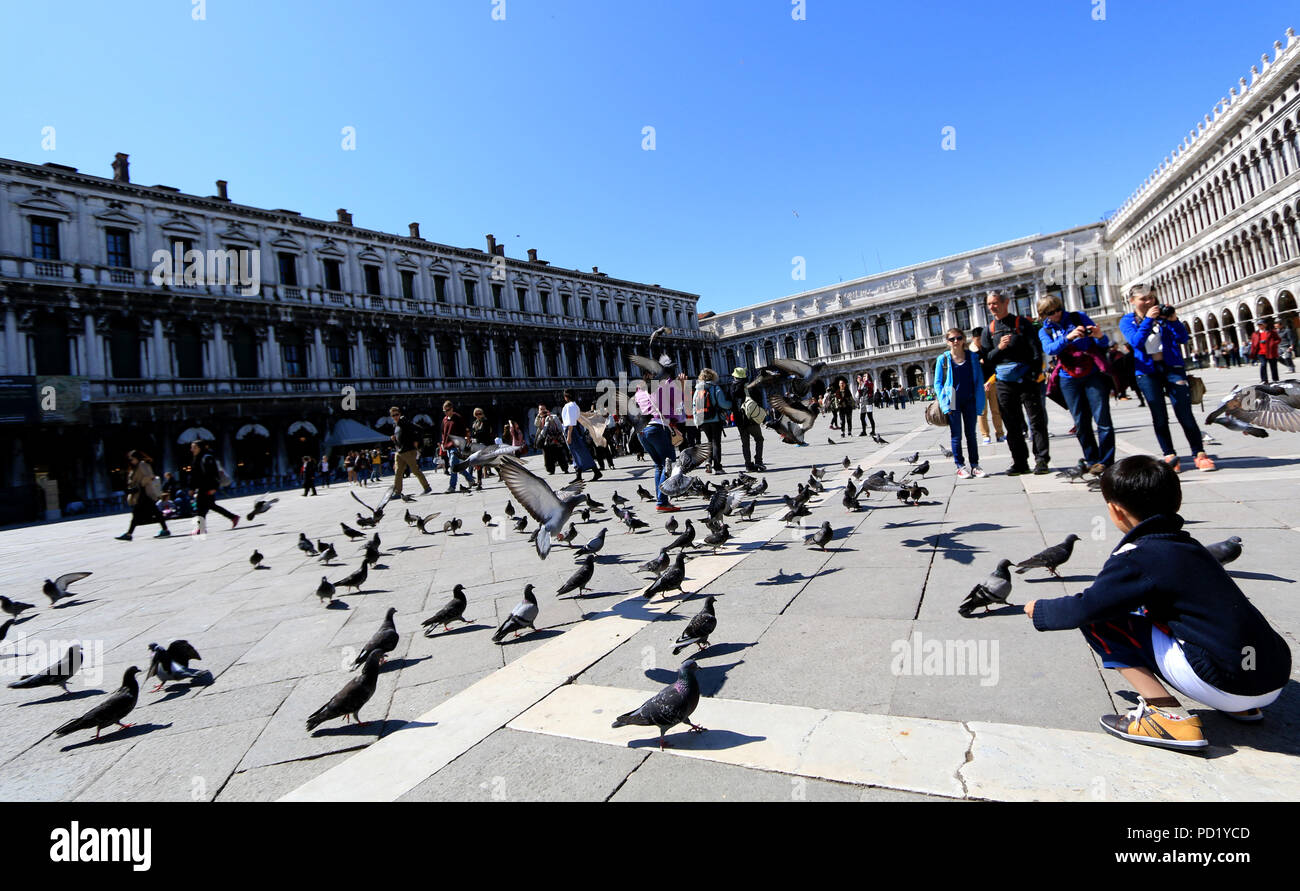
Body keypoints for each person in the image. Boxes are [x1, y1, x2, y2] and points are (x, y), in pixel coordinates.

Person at [1025, 456, 1291, 750]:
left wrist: (1041, 609)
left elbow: (1086, 607)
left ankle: (1165, 717)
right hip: (1273, 674)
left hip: (1224, 681)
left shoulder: (1137, 556)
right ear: (1176, 502)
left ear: (1116, 511)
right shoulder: (1190, 547)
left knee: (1099, 618)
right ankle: (1242, 708)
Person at [1119, 283, 1215, 473]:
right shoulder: (1127, 320)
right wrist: (1147, 320)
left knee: (1184, 412)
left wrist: (1173, 320)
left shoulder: (1163, 316)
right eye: (1143, 299)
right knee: (1159, 415)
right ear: (1132, 301)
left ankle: (1199, 454)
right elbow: (1136, 342)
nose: (1149, 302)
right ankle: (1169, 454)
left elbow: (1182, 338)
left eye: (1151, 297)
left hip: (1172, 368)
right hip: (1147, 371)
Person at [1037, 296, 1114, 474]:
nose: (1056, 314)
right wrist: (1068, 337)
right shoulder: (1044, 331)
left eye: (1058, 309)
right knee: (1081, 421)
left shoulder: (1078, 317)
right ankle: (1092, 459)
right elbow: (1050, 350)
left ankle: (1106, 461)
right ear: (1043, 315)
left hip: (1092, 372)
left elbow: (1103, 343)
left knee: (1103, 418)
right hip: (1068, 377)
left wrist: (1099, 335)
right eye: (1051, 312)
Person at [984, 289, 1050, 475]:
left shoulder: (1022, 324)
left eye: (995, 303)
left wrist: (1033, 374)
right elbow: (988, 359)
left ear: (1006, 303)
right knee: (1011, 424)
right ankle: (1020, 462)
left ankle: (1041, 459)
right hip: (1004, 383)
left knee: (1036, 421)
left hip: (1026, 379)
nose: (992, 307)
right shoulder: (988, 330)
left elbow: (1036, 350)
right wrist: (1000, 347)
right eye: (989, 304)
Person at [933, 329, 986, 478]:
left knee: (971, 434)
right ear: (947, 342)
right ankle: (960, 466)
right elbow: (937, 384)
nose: (955, 341)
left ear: (963, 339)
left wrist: (980, 403)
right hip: (953, 399)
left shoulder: (972, 357)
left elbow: (979, 380)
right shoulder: (943, 359)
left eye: (958, 338)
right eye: (952, 339)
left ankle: (975, 466)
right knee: (956, 435)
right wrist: (944, 404)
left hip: (970, 398)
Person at [635, 375, 680, 512]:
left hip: (642, 431)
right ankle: (662, 501)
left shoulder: (639, 392)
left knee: (659, 466)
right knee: (668, 464)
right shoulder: (658, 390)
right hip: (657, 428)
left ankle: (662, 500)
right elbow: (672, 411)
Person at [116, 450, 171, 540]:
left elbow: (150, 476)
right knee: (155, 512)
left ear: (137, 458)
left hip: (144, 493)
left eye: (132, 459)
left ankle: (129, 534)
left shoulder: (142, 464)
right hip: (141, 494)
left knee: (137, 514)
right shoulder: (136, 466)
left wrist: (140, 484)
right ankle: (165, 530)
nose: (131, 461)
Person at [189, 440, 238, 534]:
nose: (192, 449)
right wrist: (192, 487)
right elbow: (195, 475)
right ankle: (233, 517)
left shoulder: (207, 458)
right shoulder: (197, 458)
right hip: (202, 487)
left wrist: (214, 487)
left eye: (194, 447)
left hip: (207, 487)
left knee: (202, 507)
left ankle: (202, 528)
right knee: (208, 506)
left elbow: (213, 474)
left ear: (200, 448)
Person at [388, 406, 432, 496]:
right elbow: (400, 439)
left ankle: (427, 487)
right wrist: (394, 439)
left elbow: (419, 429)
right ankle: (397, 492)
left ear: (400, 414)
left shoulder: (404, 422)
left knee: (415, 470)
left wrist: (417, 442)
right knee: (398, 472)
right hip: (399, 452)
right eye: (393, 415)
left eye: (397, 414)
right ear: (391, 416)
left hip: (408, 451)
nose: (395, 416)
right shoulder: (395, 425)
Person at [728, 367, 766, 472]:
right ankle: (758, 461)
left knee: (745, 443)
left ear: (735, 376)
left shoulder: (731, 388)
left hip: (740, 420)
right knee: (759, 439)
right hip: (752, 419)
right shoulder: (750, 386)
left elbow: (729, 404)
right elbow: (759, 400)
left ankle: (748, 465)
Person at [560, 389, 600, 483]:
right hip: (575, 430)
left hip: (571, 430)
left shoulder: (569, 406)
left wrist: (569, 436)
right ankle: (582, 474)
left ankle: (589, 472)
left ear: (566, 397)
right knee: (579, 452)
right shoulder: (575, 405)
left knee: (577, 453)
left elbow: (570, 422)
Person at [534, 404, 569, 475]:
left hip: (555, 438)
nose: (542, 411)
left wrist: (550, 417)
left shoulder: (553, 416)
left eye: (544, 409)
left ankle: (565, 468)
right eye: (541, 409)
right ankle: (550, 470)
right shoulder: (539, 418)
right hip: (545, 439)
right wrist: (538, 416)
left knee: (559, 454)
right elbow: (536, 424)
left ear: (546, 409)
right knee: (547, 456)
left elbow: (559, 427)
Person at [854, 373, 876, 437]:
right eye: (863, 376)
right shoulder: (862, 384)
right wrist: (859, 384)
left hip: (868, 401)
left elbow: (869, 385)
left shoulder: (869, 383)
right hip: (863, 402)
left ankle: (873, 431)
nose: (863, 377)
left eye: (865, 376)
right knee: (862, 417)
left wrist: (864, 381)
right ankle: (864, 431)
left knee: (870, 417)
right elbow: (859, 393)